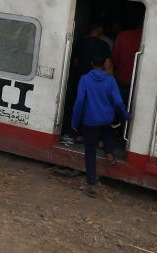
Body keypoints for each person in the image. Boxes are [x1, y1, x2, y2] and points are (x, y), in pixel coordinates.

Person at [72, 55, 129, 197]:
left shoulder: (85, 79)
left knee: (90, 151)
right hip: (106, 118)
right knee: (107, 131)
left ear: (91, 63)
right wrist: (125, 115)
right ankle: (109, 154)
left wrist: (75, 121)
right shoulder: (110, 80)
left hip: (90, 120)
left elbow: (79, 101)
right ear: (104, 64)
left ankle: (91, 183)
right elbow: (117, 102)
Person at [61, 22, 113, 146]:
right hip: (97, 84)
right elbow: (108, 65)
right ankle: (97, 139)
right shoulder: (103, 45)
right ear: (99, 29)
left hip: (80, 80)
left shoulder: (80, 43)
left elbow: (75, 62)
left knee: (79, 106)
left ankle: (77, 135)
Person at [110, 21, 143, 104]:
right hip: (141, 82)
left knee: (118, 104)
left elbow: (114, 59)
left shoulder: (123, 36)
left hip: (122, 77)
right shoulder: (150, 38)